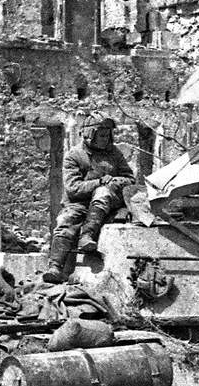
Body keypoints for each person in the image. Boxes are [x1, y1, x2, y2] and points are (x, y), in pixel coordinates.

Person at [43, 117, 135, 283]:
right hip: (79, 202)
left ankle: (87, 235)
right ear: (89, 135)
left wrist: (115, 182)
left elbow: (129, 179)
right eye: (102, 136)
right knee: (65, 220)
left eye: (108, 135)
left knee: (103, 192)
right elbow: (73, 188)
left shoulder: (114, 153)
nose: (105, 139)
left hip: (108, 203)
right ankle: (55, 267)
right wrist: (99, 182)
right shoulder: (74, 155)